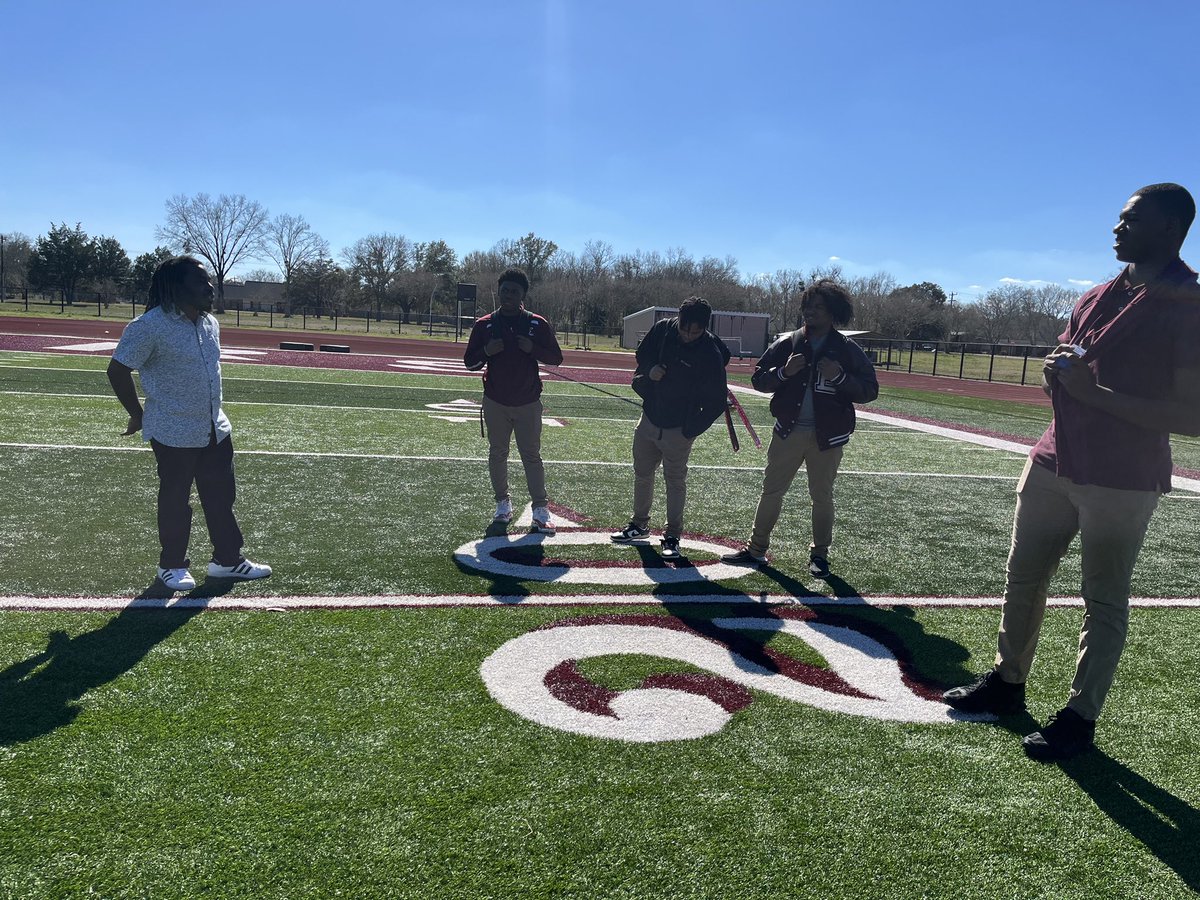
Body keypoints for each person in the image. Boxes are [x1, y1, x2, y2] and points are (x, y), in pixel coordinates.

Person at [943, 183, 1200, 761]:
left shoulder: (1188, 305)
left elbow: (1194, 416)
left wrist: (1096, 392)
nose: (1115, 227)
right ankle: (1008, 681)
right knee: (1023, 575)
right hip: (1054, 456)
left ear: (1169, 228)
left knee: (1103, 597)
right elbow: (1072, 357)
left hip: (1122, 475)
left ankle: (1080, 718)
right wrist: (1056, 372)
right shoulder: (1097, 294)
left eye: (1130, 220)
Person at [106, 255, 272, 592]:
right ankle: (171, 566)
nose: (209, 287)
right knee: (175, 500)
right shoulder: (149, 326)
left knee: (221, 496)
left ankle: (227, 560)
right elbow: (117, 369)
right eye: (200, 282)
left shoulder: (211, 323)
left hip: (214, 426)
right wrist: (137, 413)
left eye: (208, 281)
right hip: (172, 428)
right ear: (176, 287)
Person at [721, 279, 877, 577]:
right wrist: (784, 372)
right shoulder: (787, 342)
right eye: (808, 306)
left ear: (833, 313)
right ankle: (756, 549)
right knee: (771, 491)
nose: (810, 312)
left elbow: (869, 390)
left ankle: (819, 555)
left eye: (819, 307)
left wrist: (840, 377)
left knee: (822, 497)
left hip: (827, 436)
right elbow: (758, 380)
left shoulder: (847, 349)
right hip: (788, 431)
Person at [610, 297, 730, 559]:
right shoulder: (663, 329)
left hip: (679, 428)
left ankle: (673, 535)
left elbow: (718, 400)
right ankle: (639, 524)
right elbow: (642, 354)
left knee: (675, 482)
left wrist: (691, 429)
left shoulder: (710, 352)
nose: (688, 335)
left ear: (705, 328)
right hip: (650, 418)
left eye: (695, 331)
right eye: (684, 329)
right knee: (642, 473)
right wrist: (650, 369)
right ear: (678, 319)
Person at [464, 267, 564, 533]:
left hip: (528, 401)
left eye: (514, 291)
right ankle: (502, 503)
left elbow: (556, 358)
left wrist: (534, 350)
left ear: (523, 295)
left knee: (531, 455)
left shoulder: (536, 323)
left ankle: (540, 508)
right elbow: (469, 362)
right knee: (497, 453)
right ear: (499, 291)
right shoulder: (484, 324)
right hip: (496, 400)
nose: (508, 295)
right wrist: (486, 351)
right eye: (505, 290)